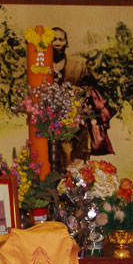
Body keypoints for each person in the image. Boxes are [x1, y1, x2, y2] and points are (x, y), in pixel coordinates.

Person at [51, 27, 115, 163]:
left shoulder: (79, 64)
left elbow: (94, 85)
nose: (57, 43)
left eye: (61, 39)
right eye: (53, 39)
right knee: (56, 157)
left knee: (78, 156)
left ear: (66, 42)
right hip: (51, 120)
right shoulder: (39, 65)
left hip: (77, 117)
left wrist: (76, 91)